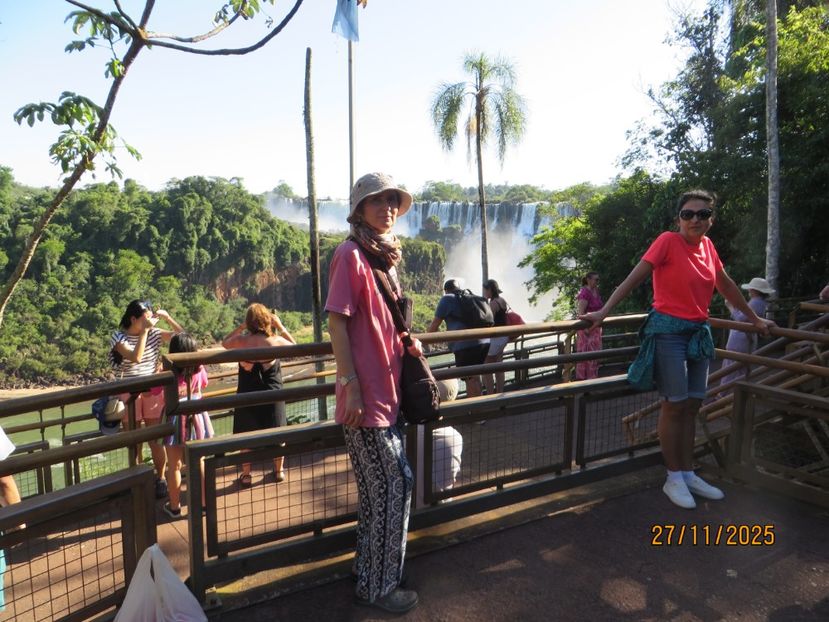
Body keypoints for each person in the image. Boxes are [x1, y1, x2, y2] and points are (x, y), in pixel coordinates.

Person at [580, 190, 774, 510]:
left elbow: (725, 285)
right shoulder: (667, 242)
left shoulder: (708, 247)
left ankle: (687, 472)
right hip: (668, 332)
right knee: (675, 404)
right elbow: (633, 278)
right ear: (679, 219)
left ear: (711, 219)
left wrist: (755, 320)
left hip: (698, 332)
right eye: (688, 214)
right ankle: (673, 477)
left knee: (693, 404)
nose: (695, 219)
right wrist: (603, 312)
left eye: (703, 214)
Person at [325, 172, 421, 614]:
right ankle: (379, 587)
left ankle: (370, 569)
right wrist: (350, 386)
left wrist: (408, 342)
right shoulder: (350, 254)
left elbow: (383, 321)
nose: (387, 208)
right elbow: (337, 322)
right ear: (359, 209)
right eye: (377, 201)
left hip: (389, 392)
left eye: (392, 201)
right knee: (396, 484)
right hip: (364, 398)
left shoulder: (383, 257)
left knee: (378, 490)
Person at [110, 299, 183, 499]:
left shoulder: (154, 333)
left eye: (151, 317)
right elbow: (136, 357)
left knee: (156, 440)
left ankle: (160, 478)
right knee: (134, 442)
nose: (150, 321)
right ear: (133, 319)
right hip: (128, 393)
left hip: (153, 391)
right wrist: (144, 332)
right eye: (146, 317)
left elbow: (183, 339)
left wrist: (168, 318)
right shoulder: (119, 337)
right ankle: (138, 481)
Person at [222, 303, 295, 488]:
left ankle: (246, 475)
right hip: (272, 393)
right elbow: (295, 347)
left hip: (247, 395)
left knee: (245, 436)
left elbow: (224, 342)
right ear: (267, 320)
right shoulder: (275, 340)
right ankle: (278, 471)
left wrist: (240, 328)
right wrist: (280, 326)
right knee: (278, 431)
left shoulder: (241, 341)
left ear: (249, 322)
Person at [162, 333, 214, 519]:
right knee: (199, 461)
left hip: (175, 415)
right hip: (197, 413)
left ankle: (175, 507)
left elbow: (152, 390)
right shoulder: (199, 369)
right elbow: (205, 383)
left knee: (174, 465)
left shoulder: (168, 372)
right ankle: (204, 505)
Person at [428, 279, 490, 398]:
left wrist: (424, 341)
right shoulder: (469, 296)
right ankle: (480, 405)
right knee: (475, 377)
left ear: (446, 290)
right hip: (483, 343)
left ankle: (474, 408)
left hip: (466, 346)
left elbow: (435, 324)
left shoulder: (447, 299)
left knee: (470, 379)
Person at [717, 277, 774, 391]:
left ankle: (724, 395)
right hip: (744, 339)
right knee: (737, 369)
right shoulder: (759, 302)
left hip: (740, 341)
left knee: (731, 369)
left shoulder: (756, 302)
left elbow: (741, 319)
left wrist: (730, 307)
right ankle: (730, 395)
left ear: (755, 290)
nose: (749, 290)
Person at [415, 379, 463, 507]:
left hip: (412, 509)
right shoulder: (455, 437)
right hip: (442, 507)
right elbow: (451, 479)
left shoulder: (408, 433)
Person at [482, 279, 510, 394]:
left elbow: (489, 323)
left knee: (487, 367)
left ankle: (490, 395)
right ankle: (500, 393)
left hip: (495, 339)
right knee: (499, 364)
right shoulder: (502, 300)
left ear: (490, 290)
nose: (484, 292)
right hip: (504, 337)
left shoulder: (492, 304)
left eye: (485, 290)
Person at [575, 272, 604, 380]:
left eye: (598, 280)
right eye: (596, 280)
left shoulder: (596, 290)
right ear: (588, 279)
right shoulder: (584, 293)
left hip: (596, 328)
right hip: (586, 330)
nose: (597, 282)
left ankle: (593, 378)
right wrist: (588, 329)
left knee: (595, 355)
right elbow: (580, 314)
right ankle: (584, 381)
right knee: (586, 355)